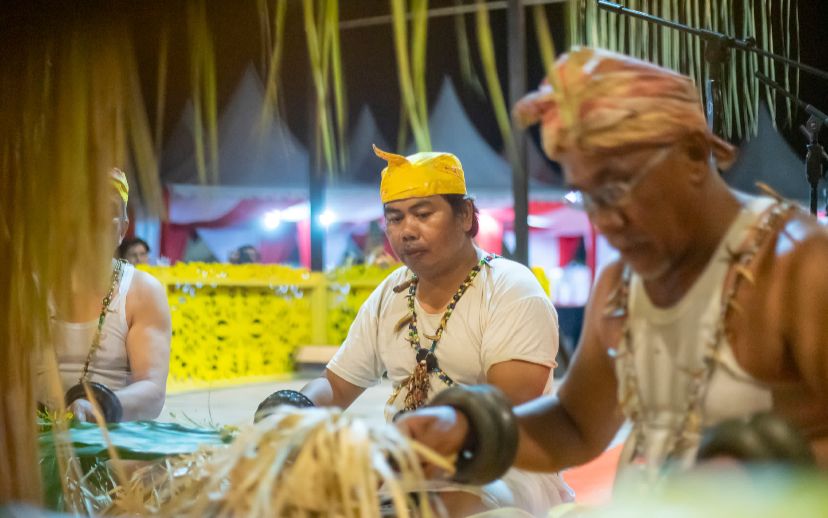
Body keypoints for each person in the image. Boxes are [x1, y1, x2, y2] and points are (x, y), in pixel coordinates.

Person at [397, 47, 828, 491]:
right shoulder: (622, 285)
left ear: (694, 152)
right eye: (588, 196)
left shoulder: (799, 267)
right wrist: (471, 430)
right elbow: (576, 424)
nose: (604, 219)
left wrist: (765, 472)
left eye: (618, 187)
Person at [263, 145, 572, 516]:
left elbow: (509, 403)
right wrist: (295, 409)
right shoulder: (391, 292)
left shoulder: (511, 288)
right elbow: (337, 384)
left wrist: (419, 450)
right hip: (406, 467)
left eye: (423, 214)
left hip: (501, 469)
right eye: (394, 218)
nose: (406, 231)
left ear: (465, 215)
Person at [39, 169, 171, 422]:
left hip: (113, 444)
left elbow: (152, 390)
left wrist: (99, 406)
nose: (90, 221)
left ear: (122, 229)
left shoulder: (142, 292)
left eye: (105, 211)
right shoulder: (25, 290)